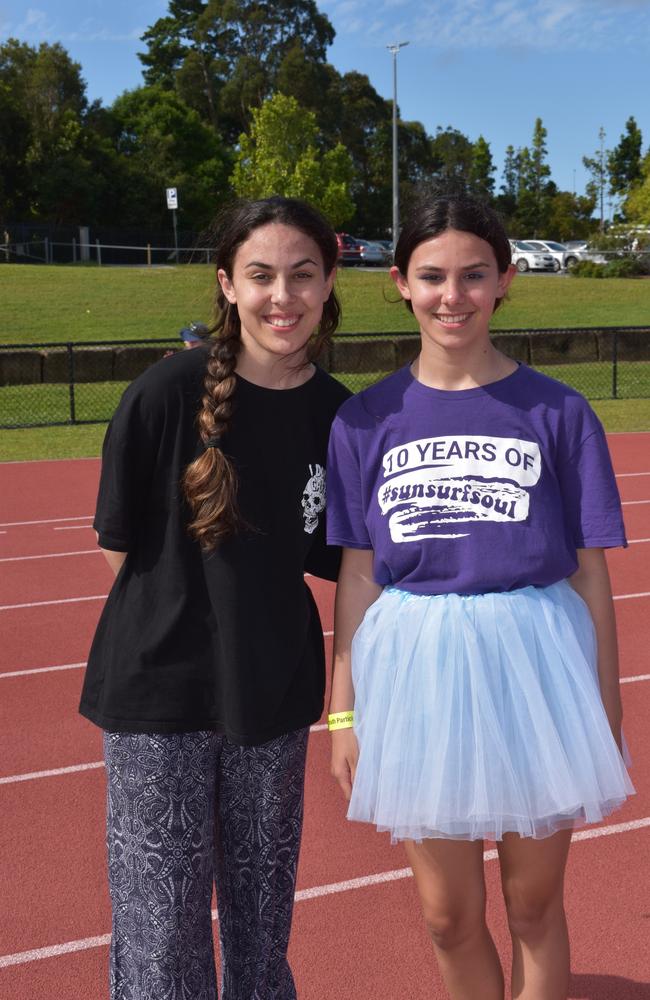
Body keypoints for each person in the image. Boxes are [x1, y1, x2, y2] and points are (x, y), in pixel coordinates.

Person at [326, 193, 634, 1000]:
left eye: (473, 275)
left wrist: (606, 698)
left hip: (537, 665)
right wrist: (344, 711)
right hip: (416, 671)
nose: (451, 295)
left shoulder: (560, 412)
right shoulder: (364, 420)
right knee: (446, 916)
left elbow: (589, 573)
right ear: (399, 283)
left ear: (505, 282)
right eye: (432, 276)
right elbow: (359, 573)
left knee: (533, 905)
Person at [79, 196, 350, 1000]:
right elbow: (116, 544)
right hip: (159, 699)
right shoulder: (165, 393)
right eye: (260, 275)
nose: (282, 296)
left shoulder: (339, 416)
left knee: (263, 923)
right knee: (161, 931)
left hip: (272, 692)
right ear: (227, 284)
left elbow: (344, 561)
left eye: (303, 275)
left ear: (329, 281)